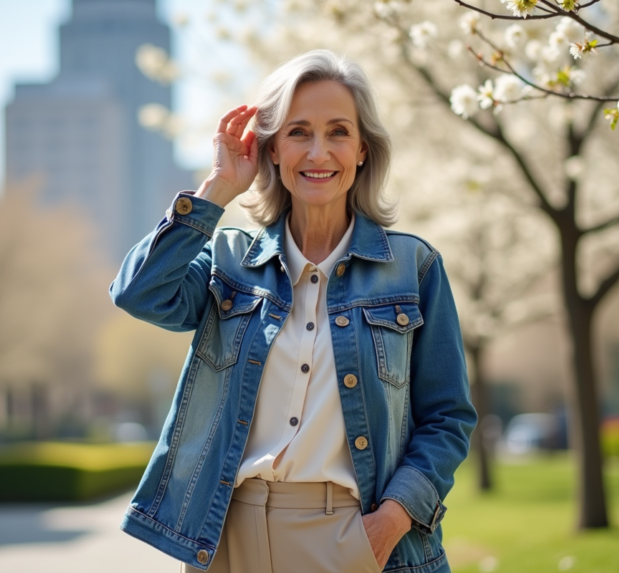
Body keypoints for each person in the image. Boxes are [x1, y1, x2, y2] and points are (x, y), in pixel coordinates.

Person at [110, 50, 477, 573]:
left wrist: (392, 521)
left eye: (338, 132)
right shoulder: (230, 262)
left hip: (352, 536)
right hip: (226, 541)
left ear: (364, 150)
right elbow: (138, 293)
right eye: (299, 132)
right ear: (272, 150)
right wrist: (218, 189)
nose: (318, 151)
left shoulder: (413, 269)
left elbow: (448, 418)